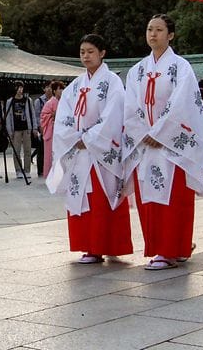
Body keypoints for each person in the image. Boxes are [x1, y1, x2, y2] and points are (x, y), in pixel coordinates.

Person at [122, 14, 203, 270]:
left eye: (158, 29)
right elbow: (130, 106)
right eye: (149, 29)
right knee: (150, 198)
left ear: (171, 35)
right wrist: (144, 131)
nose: (153, 34)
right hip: (145, 144)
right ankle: (160, 249)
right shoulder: (138, 70)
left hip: (172, 146)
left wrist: (160, 132)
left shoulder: (181, 67)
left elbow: (183, 103)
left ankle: (174, 249)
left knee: (175, 199)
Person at [48, 34, 131, 264]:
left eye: (91, 51)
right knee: (83, 197)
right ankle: (90, 246)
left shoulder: (112, 82)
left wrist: (91, 138)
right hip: (80, 150)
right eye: (82, 51)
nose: (86, 56)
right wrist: (74, 137)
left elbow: (114, 114)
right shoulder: (75, 86)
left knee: (102, 199)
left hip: (100, 151)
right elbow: (63, 115)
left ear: (102, 53)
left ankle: (108, 244)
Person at [4, 81, 38, 184]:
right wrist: (9, 131)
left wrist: (34, 127)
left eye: (21, 88)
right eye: (18, 88)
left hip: (26, 128)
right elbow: (8, 117)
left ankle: (27, 170)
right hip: (16, 129)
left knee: (28, 150)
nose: (20, 90)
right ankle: (18, 170)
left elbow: (32, 114)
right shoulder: (10, 101)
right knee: (16, 150)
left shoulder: (28, 100)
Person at [39, 80, 65, 178]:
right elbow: (43, 116)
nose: (61, 91)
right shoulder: (50, 103)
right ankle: (50, 175)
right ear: (54, 91)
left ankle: (60, 175)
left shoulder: (63, 102)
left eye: (62, 89)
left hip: (61, 132)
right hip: (52, 130)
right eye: (59, 89)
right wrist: (52, 115)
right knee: (50, 154)